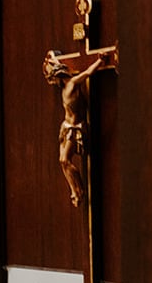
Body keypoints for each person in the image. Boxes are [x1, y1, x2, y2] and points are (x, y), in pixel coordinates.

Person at [43, 49, 111, 207]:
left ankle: (79, 190)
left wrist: (100, 61)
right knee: (62, 161)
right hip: (66, 127)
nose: (53, 82)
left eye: (53, 77)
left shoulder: (73, 83)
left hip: (75, 129)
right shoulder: (63, 89)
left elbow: (87, 72)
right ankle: (74, 190)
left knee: (65, 159)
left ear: (58, 73)